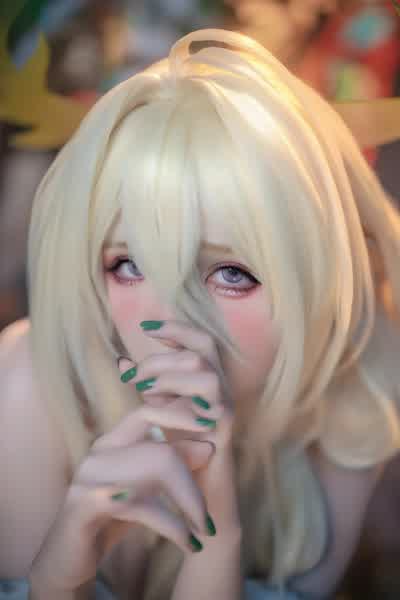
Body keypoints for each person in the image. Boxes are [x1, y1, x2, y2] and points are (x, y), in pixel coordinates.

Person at [0, 27, 399, 600]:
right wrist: (56, 582)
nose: (171, 323)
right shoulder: (29, 382)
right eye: (128, 264)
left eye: (231, 273)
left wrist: (217, 536)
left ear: (315, 278)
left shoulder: (356, 401)